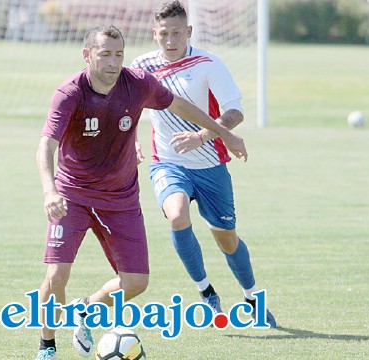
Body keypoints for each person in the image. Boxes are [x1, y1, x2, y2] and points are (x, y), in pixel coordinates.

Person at [34, 24, 248, 360]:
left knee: (135, 282)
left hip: (120, 199)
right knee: (57, 274)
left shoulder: (137, 84)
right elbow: (46, 146)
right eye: (105, 54)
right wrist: (50, 192)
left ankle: (86, 311)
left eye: (119, 54)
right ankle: (47, 346)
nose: (113, 61)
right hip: (72, 195)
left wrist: (224, 134)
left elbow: (180, 106)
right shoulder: (70, 92)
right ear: (87, 55)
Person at [130, 0, 276, 327]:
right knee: (177, 215)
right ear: (155, 33)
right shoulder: (141, 66)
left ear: (189, 32)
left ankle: (252, 295)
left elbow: (235, 113)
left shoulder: (209, 63)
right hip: (166, 163)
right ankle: (207, 293)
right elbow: (126, 110)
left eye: (177, 33)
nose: (170, 40)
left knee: (226, 237)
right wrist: (131, 143)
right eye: (164, 33)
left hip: (211, 166)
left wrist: (202, 136)